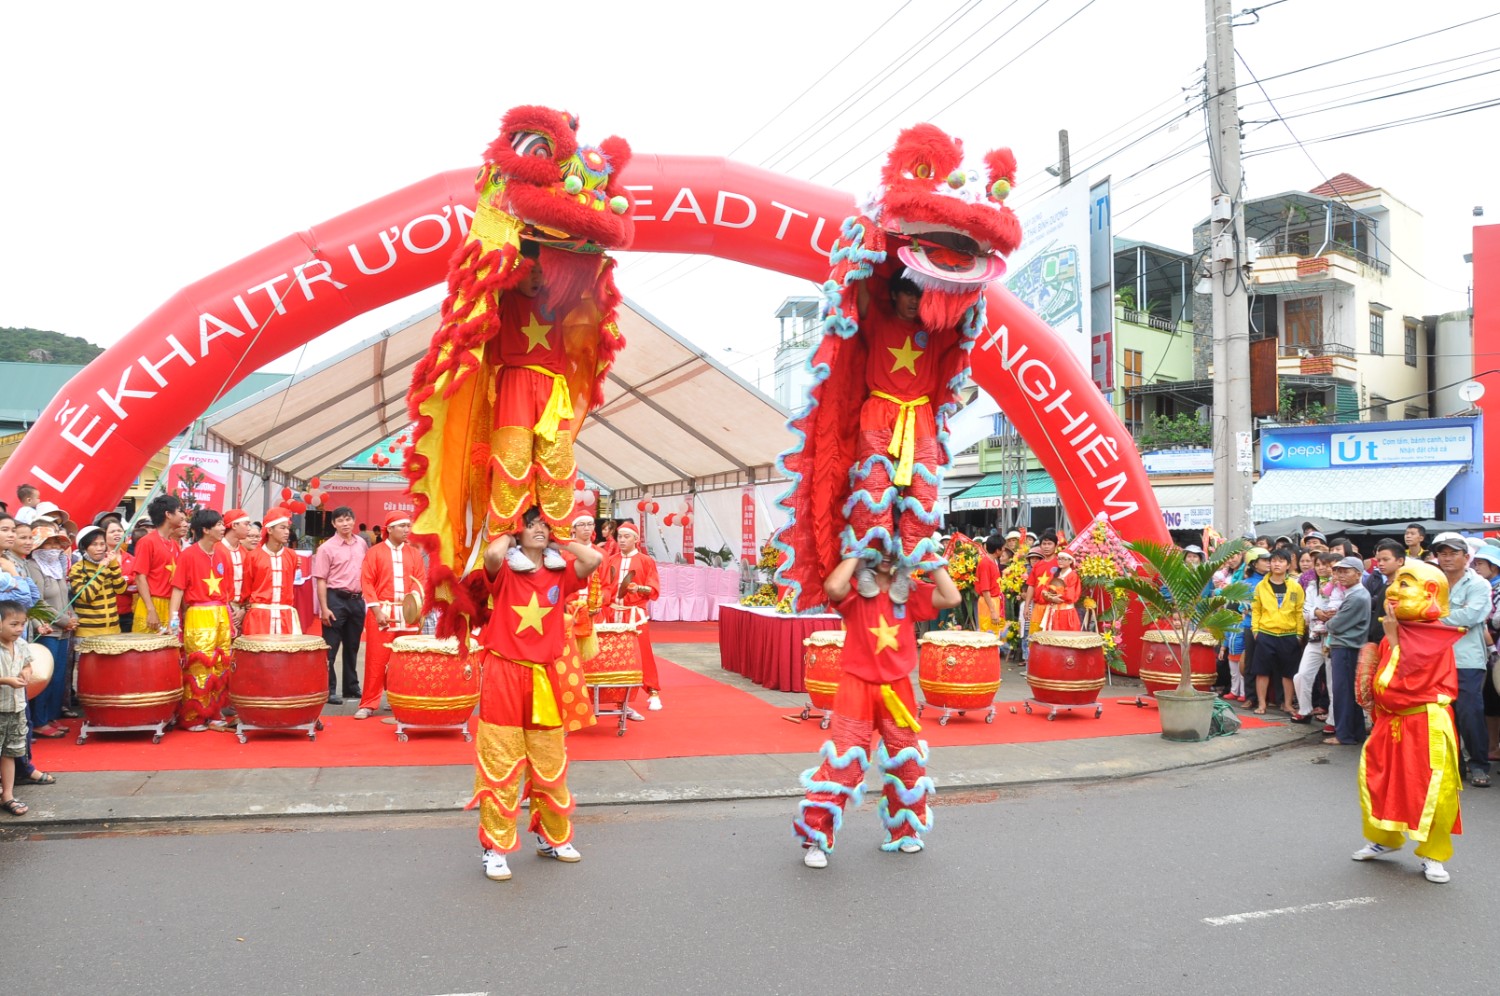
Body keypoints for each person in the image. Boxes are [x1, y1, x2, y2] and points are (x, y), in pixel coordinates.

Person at [794, 552, 961, 868]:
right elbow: (833, 587)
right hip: (856, 687)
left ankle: (905, 832)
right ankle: (816, 838)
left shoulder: (908, 590)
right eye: (878, 547)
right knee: (844, 764)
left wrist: (929, 556)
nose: (886, 555)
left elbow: (951, 597)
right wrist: (856, 553)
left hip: (897, 690)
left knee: (907, 763)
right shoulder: (856, 588)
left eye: (891, 548)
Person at [469, 507, 603, 882]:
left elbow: (593, 558)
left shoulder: (560, 569)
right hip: (503, 671)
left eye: (543, 524)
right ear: (517, 530)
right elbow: (492, 555)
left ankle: (552, 837)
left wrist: (559, 536)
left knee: (549, 758)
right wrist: (512, 532)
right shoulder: (506, 569)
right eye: (532, 526)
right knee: (501, 760)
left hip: (544, 676)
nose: (538, 530)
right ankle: (494, 848)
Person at [840, 273, 966, 594]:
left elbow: (964, 314)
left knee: (922, 495)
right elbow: (863, 294)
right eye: (908, 294)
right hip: (879, 411)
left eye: (919, 296)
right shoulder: (879, 322)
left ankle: (906, 570)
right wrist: (867, 259)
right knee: (874, 489)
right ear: (894, 295)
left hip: (919, 415)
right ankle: (867, 565)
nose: (914, 302)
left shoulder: (933, 331)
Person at [1351, 559, 1464, 884]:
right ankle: (1384, 837)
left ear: (1430, 592)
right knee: (1378, 779)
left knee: (1431, 791)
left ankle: (1433, 854)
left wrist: (1395, 642)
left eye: (1405, 583)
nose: (1392, 591)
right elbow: (1383, 690)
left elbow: (1401, 686)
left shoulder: (1436, 638)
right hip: (1392, 722)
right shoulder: (1393, 635)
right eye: (1395, 583)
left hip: (1424, 724)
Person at [1429, 533, 1490, 788]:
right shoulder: (1433, 583)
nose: (1447, 558)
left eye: (1453, 553)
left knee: (1469, 712)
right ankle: (1453, 765)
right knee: (1441, 714)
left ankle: (1478, 763)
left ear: (1466, 557)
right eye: (1442, 553)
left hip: (1467, 659)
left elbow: (1472, 614)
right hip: (1435, 658)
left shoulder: (1478, 584)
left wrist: (1434, 617)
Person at [355, 511, 427, 720]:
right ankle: (369, 703)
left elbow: (419, 579)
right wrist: (376, 611)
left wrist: (414, 605)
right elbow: (367, 582)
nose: (407, 530)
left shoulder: (413, 553)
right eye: (402, 526)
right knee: (377, 659)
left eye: (408, 525)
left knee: (406, 659)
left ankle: (403, 699)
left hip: (408, 612)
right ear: (390, 529)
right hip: (383, 611)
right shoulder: (375, 552)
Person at [169, 509, 233, 732]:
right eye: (218, 524)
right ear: (205, 530)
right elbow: (178, 589)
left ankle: (214, 711)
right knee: (199, 665)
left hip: (221, 614)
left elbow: (228, 590)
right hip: (199, 614)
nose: (223, 527)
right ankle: (194, 715)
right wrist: (173, 620)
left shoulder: (223, 554)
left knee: (220, 664)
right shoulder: (188, 555)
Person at [23, 522, 77, 738]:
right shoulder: (33, 567)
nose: (54, 547)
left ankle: (51, 716)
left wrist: (72, 616)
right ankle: (40, 720)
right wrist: (64, 620)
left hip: (63, 630)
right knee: (44, 676)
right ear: (38, 546)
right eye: (49, 543)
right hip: (47, 630)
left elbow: (65, 597)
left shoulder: (56, 567)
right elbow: (38, 603)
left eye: (57, 542)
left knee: (59, 677)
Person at [604, 521, 662, 713]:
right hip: (613, 613)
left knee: (642, 652)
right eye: (620, 536)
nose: (622, 540)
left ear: (636, 539)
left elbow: (653, 588)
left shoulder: (646, 561)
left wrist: (639, 589)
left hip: (635, 614)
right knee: (614, 655)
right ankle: (618, 697)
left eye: (626, 536)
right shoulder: (611, 560)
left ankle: (653, 691)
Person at [313, 506, 367, 704]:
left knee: (353, 646)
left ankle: (351, 687)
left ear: (353, 521)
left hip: (357, 600)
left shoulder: (361, 543)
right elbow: (320, 580)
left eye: (348, 519)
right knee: (330, 647)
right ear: (334, 524)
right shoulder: (326, 548)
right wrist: (324, 608)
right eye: (340, 520)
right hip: (335, 598)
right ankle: (328, 689)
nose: (345, 524)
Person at [1248, 547, 1304, 715]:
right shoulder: (1261, 586)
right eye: (1273, 561)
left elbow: (1299, 611)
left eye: (1281, 561)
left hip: (1288, 634)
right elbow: (1256, 609)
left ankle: (1287, 704)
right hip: (1266, 633)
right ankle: (1262, 704)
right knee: (1262, 671)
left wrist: (1299, 634)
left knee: (1288, 673)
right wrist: (1256, 630)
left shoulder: (1295, 587)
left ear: (1288, 565)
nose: (1276, 564)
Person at [1292, 552, 1343, 724]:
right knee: (1302, 675)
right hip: (1314, 637)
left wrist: (1327, 616)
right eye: (1318, 564)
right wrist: (1317, 613)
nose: (1322, 568)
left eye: (1326, 565)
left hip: (1333, 638)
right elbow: (1305, 611)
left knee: (1332, 682)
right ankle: (1304, 709)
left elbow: (1342, 609)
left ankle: (1333, 720)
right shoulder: (1312, 585)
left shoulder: (1342, 585)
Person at [1325, 556, 1371, 746]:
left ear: (1358, 574)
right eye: (1339, 571)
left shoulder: (1357, 596)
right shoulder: (1354, 594)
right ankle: (1355, 732)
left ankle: (1344, 734)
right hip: (1348, 646)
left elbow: (1335, 625)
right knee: (1349, 693)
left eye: (1346, 571)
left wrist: (1325, 620)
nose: (1341, 575)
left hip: (1346, 647)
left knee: (1343, 692)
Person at [241, 507, 301, 637]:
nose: (287, 532)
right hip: (259, 617)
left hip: (285, 616)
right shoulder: (253, 556)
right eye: (282, 528)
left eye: (288, 528)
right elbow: (246, 588)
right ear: (269, 530)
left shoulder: (292, 555)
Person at [131, 495, 186, 634]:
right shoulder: (147, 542)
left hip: (171, 606)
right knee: (146, 651)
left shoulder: (174, 544)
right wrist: (151, 610)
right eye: (179, 511)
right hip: (151, 603)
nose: (182, 516)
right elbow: (140, 577)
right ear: (168, 514)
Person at [0, 602, 35, 817]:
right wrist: (5, 680)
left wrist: (27, 672)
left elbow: (28, 664)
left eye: (22, 624)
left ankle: (8, 795)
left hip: (17, 708)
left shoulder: (21, 645)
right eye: (13, 624)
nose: (19, 629)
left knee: (10, 753)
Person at [68, 525, 126, 638]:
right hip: (88, 633)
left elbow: (121, 589)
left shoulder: (109, 565)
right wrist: (100, 571)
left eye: (102, 544)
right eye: (94, 545)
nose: (99, 548)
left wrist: (114, 566)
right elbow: (87, 596)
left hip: (113, 631)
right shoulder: (77, 569)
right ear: (84, 547)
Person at [217, 508, 253, 633]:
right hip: (221, 609)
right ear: (234, 525)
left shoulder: (245, 552)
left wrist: (243, 610)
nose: (249, 528)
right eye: (246, 524)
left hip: (242, 610)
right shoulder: (216, 550)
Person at [1036, 548, 1082, 632]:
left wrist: (1055, 597)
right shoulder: (1054, 574)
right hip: (1053, 609)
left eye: (1063, 559)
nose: (1060, 561)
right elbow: (1045, 589)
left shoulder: (1072, 575)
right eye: (1059, 559)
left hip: (1066, 612)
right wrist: (1050, 598)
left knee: (1066, 637)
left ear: (1070, 561)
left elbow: (1070, 595)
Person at [975, 534, 1004, 635]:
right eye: (1003, 548)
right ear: (997, 550)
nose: (1004, 550)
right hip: (989, 602)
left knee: (996, 633)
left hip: (994, 600)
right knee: (988, 633)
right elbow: (985, 589)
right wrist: (992, 611)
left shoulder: (993, 561)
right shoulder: (985, 564)